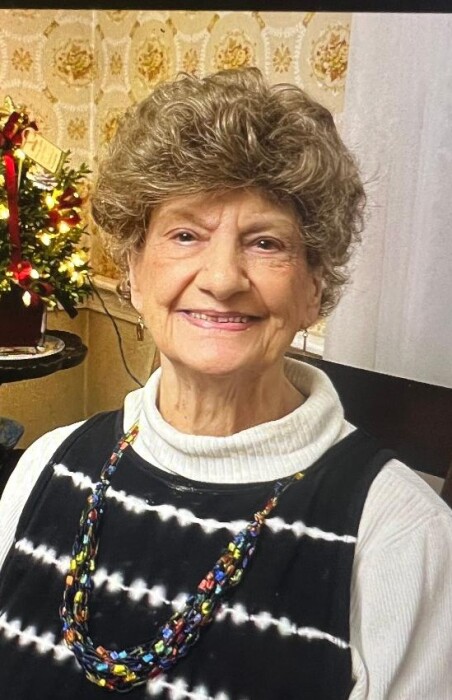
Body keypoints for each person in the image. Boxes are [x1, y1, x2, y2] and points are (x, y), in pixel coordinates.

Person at [0, 67, 451, 700]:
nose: (221, 278)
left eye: (265, 243)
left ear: (314, 287)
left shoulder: (403, 538)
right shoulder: (45, 466)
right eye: (186, 235)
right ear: (132, 270)